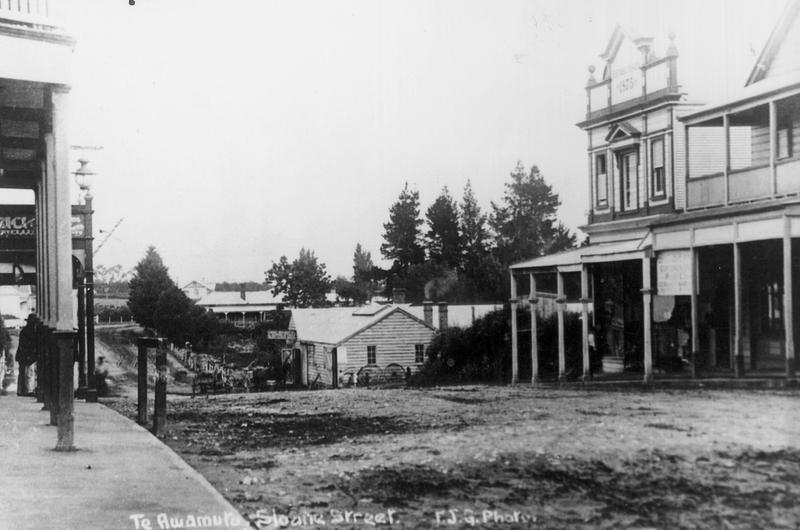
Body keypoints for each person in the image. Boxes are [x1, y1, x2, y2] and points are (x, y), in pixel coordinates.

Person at [16, 317, 36, 396]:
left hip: (22, 355)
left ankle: (21, 390)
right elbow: (25, 346)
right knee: (28, 373)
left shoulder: (25, 331)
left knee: (23, 373)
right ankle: (27, 390)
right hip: (26, 355)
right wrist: (29, 356)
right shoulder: (29, 332)